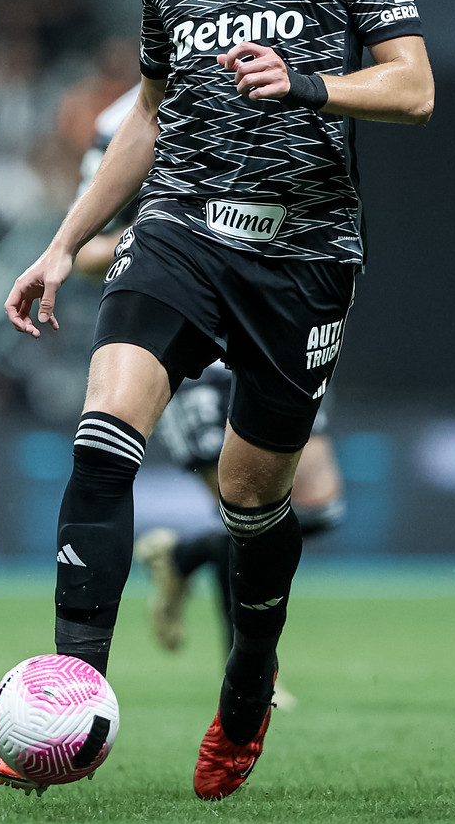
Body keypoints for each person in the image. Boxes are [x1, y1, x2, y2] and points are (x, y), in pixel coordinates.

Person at [4, 0, 434, 799]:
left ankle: (247, 681)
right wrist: (62, 244)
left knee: (253, 500)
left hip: (302, 251)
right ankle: (70, 703)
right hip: (179, 228)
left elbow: (414, 87)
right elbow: (149, 117)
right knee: (103, 438)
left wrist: (307, 84)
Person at [71, 90, 347, 678]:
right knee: (239, 512)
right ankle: (249, 679)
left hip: (275, 314)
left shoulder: (272, 76)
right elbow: (89, 248)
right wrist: (173, 240)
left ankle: (183, 554)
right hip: (189, 323)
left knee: (319, 505)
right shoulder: (122, 120)